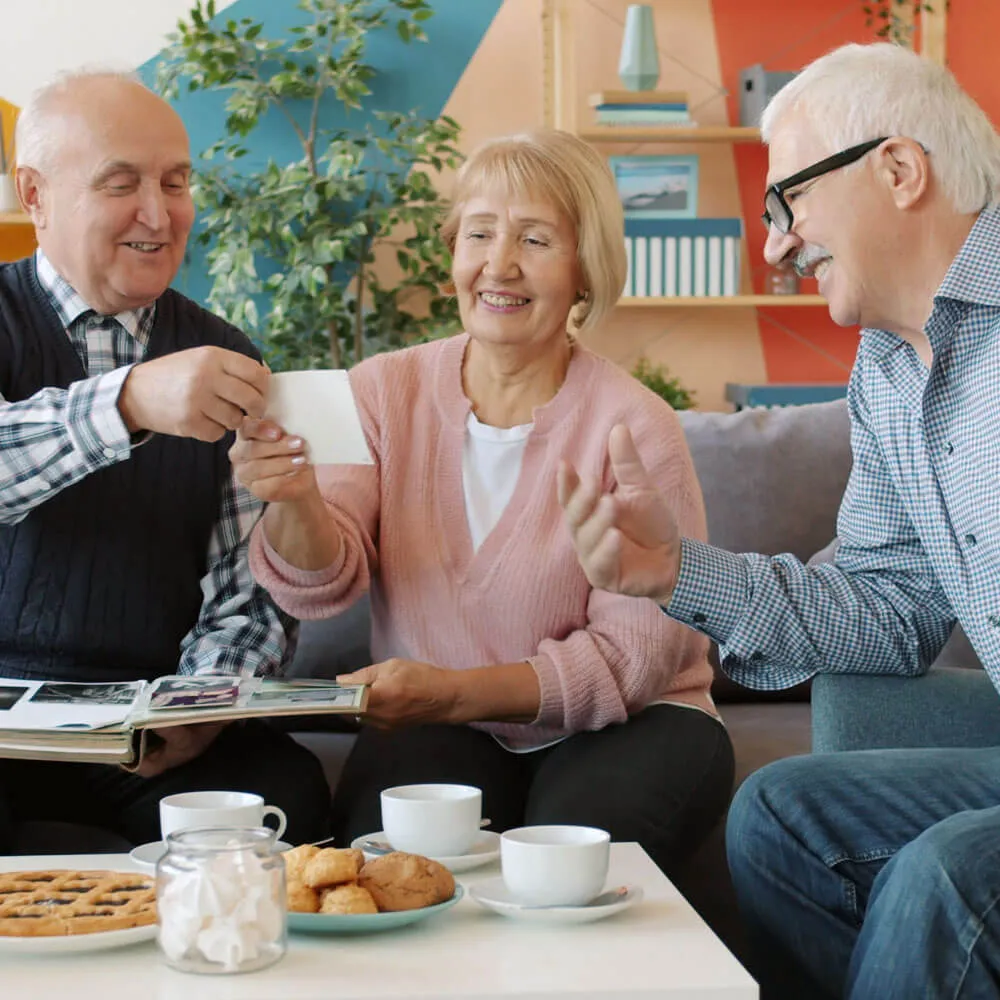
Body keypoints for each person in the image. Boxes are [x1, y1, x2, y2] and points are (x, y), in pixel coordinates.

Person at [557, 41, 1000, 1000]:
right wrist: (676, 572)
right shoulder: (887, 374)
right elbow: (884, 609)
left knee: (947, 875)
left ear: (898, 169)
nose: (776, 245)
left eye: (786, 201)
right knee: (779, 818)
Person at [231, 129, 734, 879]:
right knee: (397, 871)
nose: (500, 265)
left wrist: (453, 693)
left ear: (584, 272)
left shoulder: (635, 424)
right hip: (441, 724)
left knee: (562, 872)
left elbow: (636, 660)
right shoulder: (381, 390)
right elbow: (320, 583)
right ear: (454, 254)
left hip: (634, 723)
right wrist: (295, 499)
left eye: (535, 239)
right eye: (479, 234)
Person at [0, 70, 331, 849]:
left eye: (176, 182)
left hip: (151, 725)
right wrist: (128, 403)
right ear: (35, 195)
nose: (159, 213)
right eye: (122, 184)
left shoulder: (227, 354)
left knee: (287, 800)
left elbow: (249, 586)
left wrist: (200, 706)